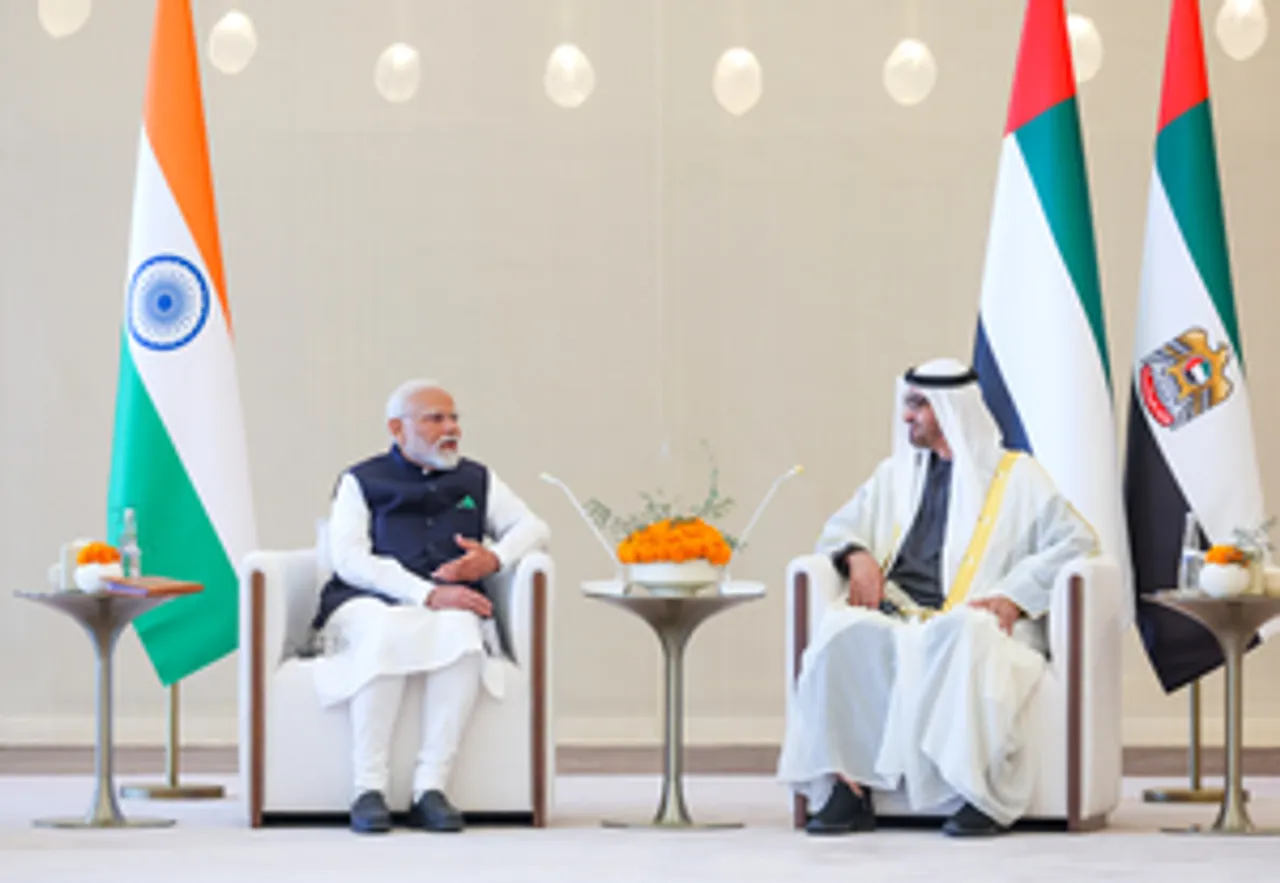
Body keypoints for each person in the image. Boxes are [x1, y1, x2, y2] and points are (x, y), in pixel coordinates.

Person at [776, 357, 1097, 838]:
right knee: (842, 631)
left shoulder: (1018, 478)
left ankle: (979, 793)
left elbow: (1077, 542)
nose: (906, 416)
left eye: (918, 405)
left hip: (976, 616)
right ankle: (850, 787)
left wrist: (1014, 596)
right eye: (908, 403)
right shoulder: (895, 475)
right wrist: (857, 554)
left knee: (966, 633)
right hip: (900, 614)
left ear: (952, 410)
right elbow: (840, 527)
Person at [310, 379, 550, 834]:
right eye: (435, 418)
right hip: (367, 602)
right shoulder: (361, 479)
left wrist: (494, 557)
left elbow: (533, 527)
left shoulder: (476, 478)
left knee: (462, 629)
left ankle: (431, 787)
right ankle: (369, 788)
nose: (450, 428)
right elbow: (348, 558)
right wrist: (424, 593)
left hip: (450, 606)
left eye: (454, 417)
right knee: (384, 631)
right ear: (397, 429)